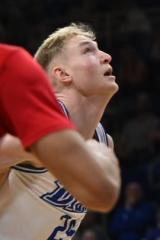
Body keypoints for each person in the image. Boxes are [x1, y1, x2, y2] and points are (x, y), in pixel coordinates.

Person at [0, 24, 120, 237]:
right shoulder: (35, 121)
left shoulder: (103, 141)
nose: (107, 56)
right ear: (63, 74)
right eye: (88, 50)